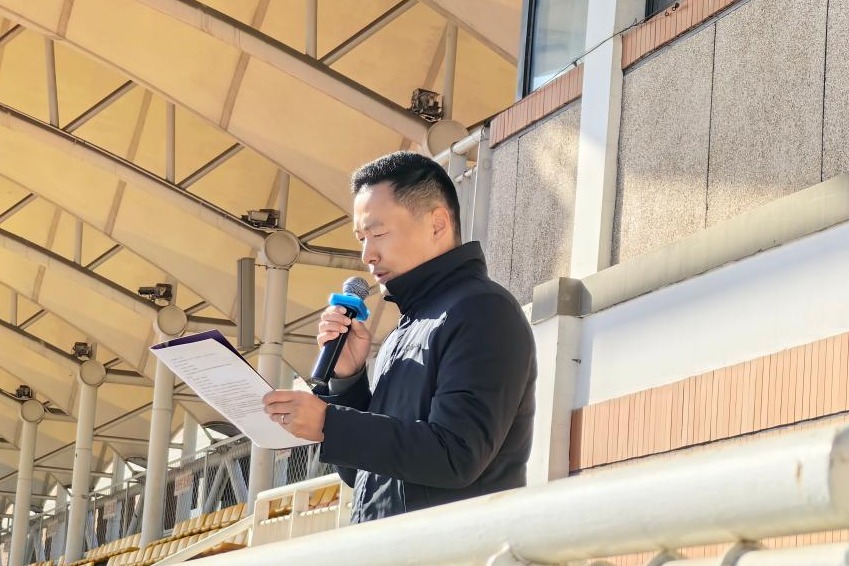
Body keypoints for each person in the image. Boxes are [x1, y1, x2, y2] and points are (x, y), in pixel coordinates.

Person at [262, 151, 536, 523]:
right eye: (362, 238)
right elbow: (363, 475)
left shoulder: (482, 310)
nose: (367, 255)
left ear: (437, 224)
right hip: (391, 545)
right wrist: (348, 382)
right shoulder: (402, 332)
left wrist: (330, 422)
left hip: (452, 546)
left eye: (377, 234)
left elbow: (457, 455)